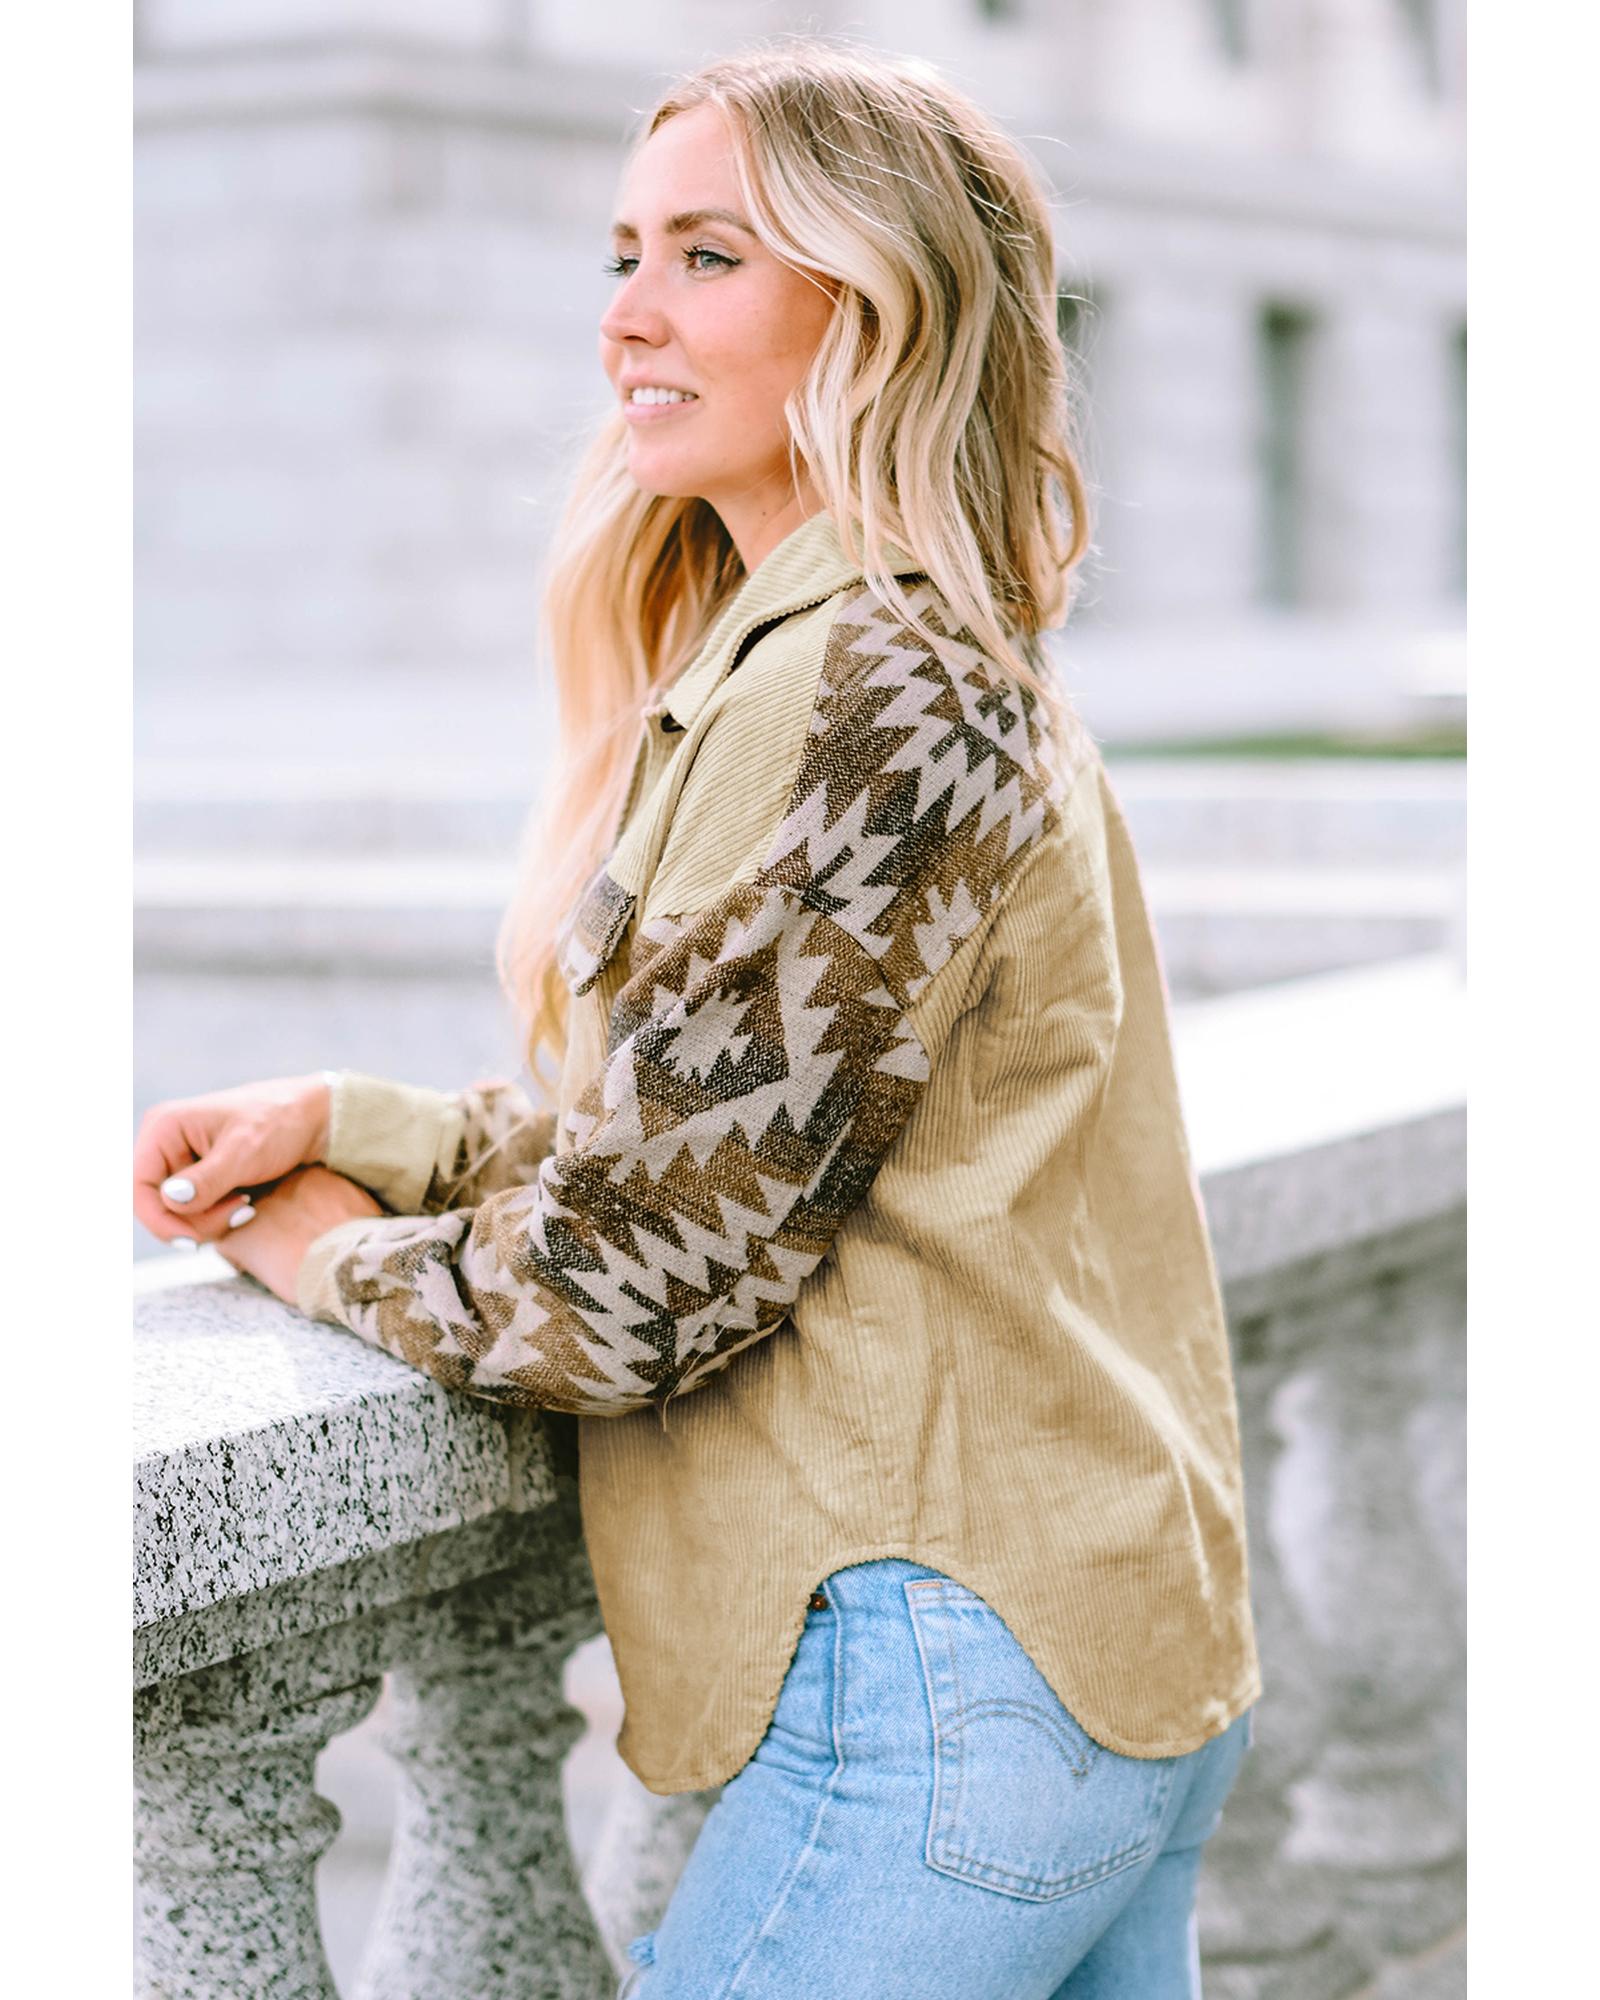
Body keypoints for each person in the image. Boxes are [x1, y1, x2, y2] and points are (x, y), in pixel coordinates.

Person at [132, 36, 1262, 1999]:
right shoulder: (908, 648)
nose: (628, 316)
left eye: (708, 255)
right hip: (1087, 1643)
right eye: (622, 254)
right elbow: (729, 1129)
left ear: (879, 303)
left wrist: (322, 1257)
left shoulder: (864, 682)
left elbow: (631, 1283)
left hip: (947, 1690)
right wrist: (364, 1122)